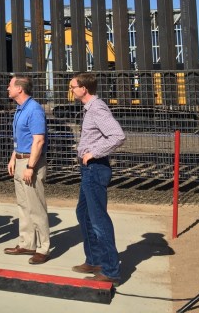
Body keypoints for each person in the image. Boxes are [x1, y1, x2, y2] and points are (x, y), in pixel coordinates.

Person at [70, 72, 126, 285]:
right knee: (83, 212)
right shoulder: (90, 109)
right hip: (88, 170)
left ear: (84, 88)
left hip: (95, 168)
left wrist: (93, 153)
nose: (72, 90)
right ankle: (94, 260)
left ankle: (111, 270)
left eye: (73, 86)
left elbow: (118, 135)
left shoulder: (98, 108)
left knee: (98, 219)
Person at [5, 75, 51, 263]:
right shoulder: (19, 109)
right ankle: (27, 243)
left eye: (10, 86)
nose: (7, 88)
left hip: (31, 163)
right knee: (24, 206)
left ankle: (43, 247)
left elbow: (38, 140)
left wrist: (31, 166)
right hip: (20, 160)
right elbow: (21, 139)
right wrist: (13, 157)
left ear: (19, 89)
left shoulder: (34, 110)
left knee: (36, 207)